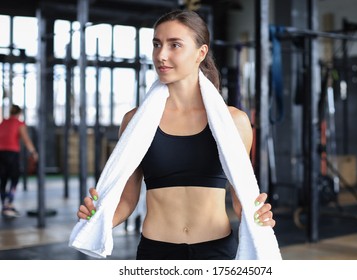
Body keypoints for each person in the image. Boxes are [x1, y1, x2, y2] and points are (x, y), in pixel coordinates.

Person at [77, 9, 275, 260]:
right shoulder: (135, 122)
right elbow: (127, 201)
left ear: (200, 53)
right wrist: (98, 218)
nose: (161, 55)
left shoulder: (233, 121)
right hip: (156, 252)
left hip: (216, 252)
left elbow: (242, 198)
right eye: (157, 44)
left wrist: (259, 217)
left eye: (175, 45)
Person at [0, 104, 38, 218]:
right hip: (12, 154)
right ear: (19, 114)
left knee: (3, 179)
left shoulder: (3, 123)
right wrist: (33, 152)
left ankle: (5, 206)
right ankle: (9, 204)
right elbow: (26, 140)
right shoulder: (19, 124)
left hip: (1, 153)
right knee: (15, 178)